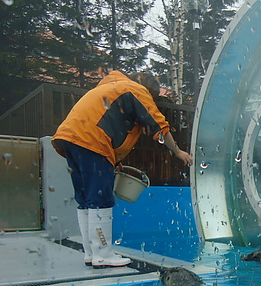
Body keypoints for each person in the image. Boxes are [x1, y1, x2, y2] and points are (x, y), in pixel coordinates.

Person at [52, 70, 193, 269]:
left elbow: (107, 123)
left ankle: (91, 253)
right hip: (91, 141)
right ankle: (103, 255)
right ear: (149, 90)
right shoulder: (134, 89)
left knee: (85, 199)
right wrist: (178, 151)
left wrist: (113, 160)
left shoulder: (110, 88)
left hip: (69, 140)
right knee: (101, 198)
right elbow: (159, 125)